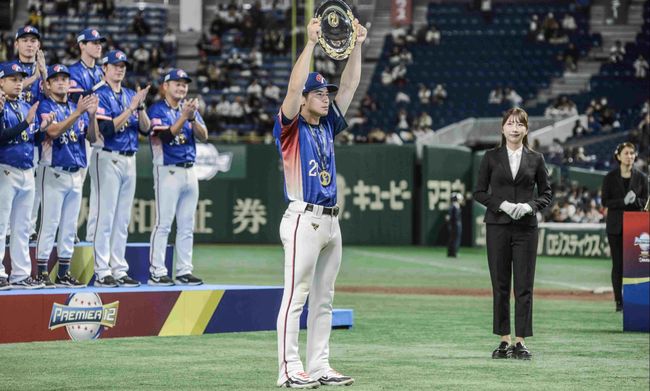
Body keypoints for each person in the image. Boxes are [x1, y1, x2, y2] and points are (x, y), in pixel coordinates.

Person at [273, 16, 367, 388]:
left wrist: (358, 43)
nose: (326, 96)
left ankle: (319, 366)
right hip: (303, 219)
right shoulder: (290, 127)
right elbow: (294, 87)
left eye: (326, 92)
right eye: (319, 93)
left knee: (324, 299)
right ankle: (287, 369)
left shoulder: (327, 123)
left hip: (330, 221)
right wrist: (310, 43)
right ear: (305, 99)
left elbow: (350, 83)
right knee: (296, 297)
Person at [474, 107, 552, 360]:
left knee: (524, 286)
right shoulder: (490, 157)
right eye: (510, 123)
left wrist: (530, 206)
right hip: (497, 226)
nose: (515, 128)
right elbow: (479, 192)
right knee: (500, 285)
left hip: (526, 229)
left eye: (520, 124)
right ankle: (503, 340)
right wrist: (502, 205)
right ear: (503, 128)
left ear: (526, 129)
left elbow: (547, 194)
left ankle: (521, 341)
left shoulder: (536, 159)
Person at [34, 64, 98, 288]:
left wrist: (91, 117)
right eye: (56, 79)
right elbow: (52, 131)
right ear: (47, 84)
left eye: (65, 78)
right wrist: (78, 113)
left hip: (75, 173)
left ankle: (63, 272)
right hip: (53, 171)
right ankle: (41, 272)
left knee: (70, 226)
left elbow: (92, 138)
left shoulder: (74, 106)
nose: (61, 82)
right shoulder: (45, 105)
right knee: (49, 223)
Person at [90, 50, 150, 287]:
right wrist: (130, 108)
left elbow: (145, 130)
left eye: (123, 65)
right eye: (115, 65)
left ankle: (119, 268)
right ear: (105, 68)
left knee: (122, 218)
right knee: (105, 217)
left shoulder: (129, 94)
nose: (120, 69)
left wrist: (141, 106)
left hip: (129, 157)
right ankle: (101, 270)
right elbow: (106, 130)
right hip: (107, 156)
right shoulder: (99, 93)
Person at [147, 69, 207, 286]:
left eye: (184, 84)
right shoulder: (157, 109)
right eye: (177, 83)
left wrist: (192, 119)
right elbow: (164, 136)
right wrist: (184, 117)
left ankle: (183, 271)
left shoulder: (190, 110)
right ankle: (157, 271)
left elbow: (204, 136)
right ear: (165, 86)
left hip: (190, 170)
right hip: (167, 169)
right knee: (163, 223)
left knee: (186, 225)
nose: (181, 87)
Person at [0, 62, 52, 289]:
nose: (18, 82)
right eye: (13, 79)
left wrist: (41, 129)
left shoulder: (24, 105)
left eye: (20, 79)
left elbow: (30, 139)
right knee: (1, 226)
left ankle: (20, 274)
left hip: (26, 170)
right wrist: (26, 123)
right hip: (5, 169)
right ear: (1, 81)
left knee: (22, 227)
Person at [68, 28, 106, 243]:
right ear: (82, 45)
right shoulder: (73, 71)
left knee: (96, 188)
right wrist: (100, 87)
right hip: (77, 134)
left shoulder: (101, 72)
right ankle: (70, 231)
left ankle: (93, 236)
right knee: (76, 185)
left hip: (96, 133)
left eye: (99, 42)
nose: (98, 45)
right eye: (93, 42)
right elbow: (80, 101)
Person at [601, 142, 648, 312]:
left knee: (636, 266)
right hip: (616, 227)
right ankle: (619, 302)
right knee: (618, 265)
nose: (630, 156)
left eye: (632, 153)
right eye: (626, 153)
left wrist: (635, 201)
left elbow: (646, 202)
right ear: (618, 156)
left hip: (636, 228)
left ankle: (635, 301)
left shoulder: (642, 177)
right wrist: (623, 201)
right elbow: (604, 201)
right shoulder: (610, 177)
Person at [446, 192, 462, 258]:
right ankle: (454, 253)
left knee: (452, 238)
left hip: (453, 225)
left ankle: (451, 252)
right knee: (455, 239)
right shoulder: (455, 206)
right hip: (455, 225)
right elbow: (452, 217)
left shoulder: (452, 206)